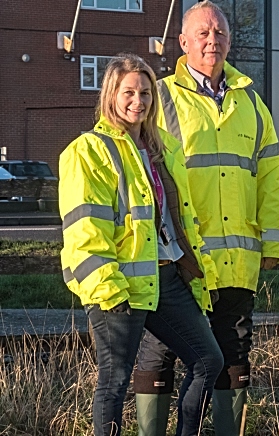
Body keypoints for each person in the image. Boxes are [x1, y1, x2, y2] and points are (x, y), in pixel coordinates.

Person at [131, 2, 279, 434]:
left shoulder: (253, 104)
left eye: (219, 33)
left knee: (234, 353)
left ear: (230, 41)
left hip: (237, 260)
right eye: (202, 33)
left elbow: (272, 178)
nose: (212, 40)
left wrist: (273, 245)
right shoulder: (159, 97)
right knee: (158, 351)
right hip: (178, 259)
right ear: (182, 42)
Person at [59, 53, 224, 436]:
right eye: (129, 92)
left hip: (165, 277)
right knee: (114, 384)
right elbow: (84, 229)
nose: (139, 101)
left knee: (208, 360)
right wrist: (107, 288)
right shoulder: (89, 150)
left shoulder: (161, 146)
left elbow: (179, 216)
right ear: (111, 95)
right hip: (119, 286)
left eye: (146, 92)